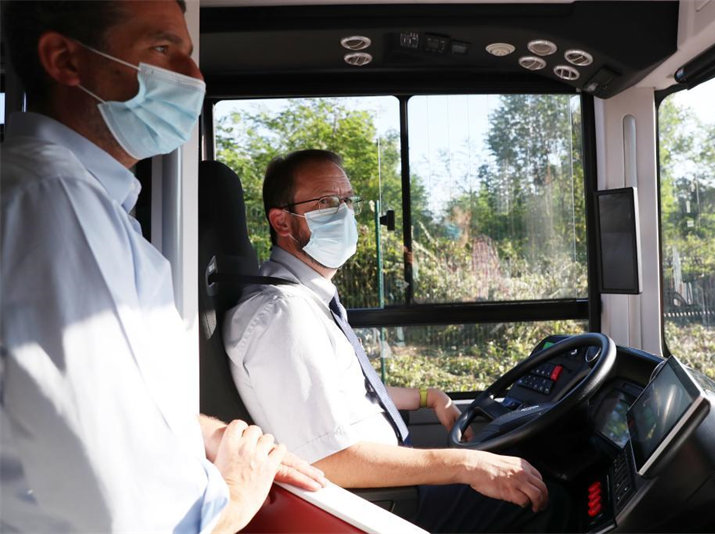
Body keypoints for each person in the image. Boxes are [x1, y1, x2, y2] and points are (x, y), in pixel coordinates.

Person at [0, 2, 325, 532]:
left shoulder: (86, 201)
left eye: (189, 55)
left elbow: (103, 398)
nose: (194, 76)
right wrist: (234, 497)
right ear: (65, 60)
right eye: (161, 49)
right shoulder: (53, 200)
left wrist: (207, 434)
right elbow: (114, 500)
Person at [225, 149, 569, 532]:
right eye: (326, 202)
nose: (345, 213)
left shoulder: (306, 299)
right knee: (551, 501)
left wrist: (431, 397)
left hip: (389, 488)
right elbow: (328, 458)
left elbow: (347, 391)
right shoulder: (282, 315)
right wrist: (466, 466)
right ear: (282, 222)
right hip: (381, 504)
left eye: (348, 201)